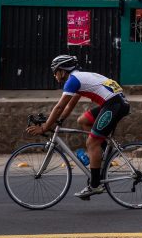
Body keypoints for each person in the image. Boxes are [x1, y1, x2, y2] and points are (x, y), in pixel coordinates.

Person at [26, 55, 131, 199]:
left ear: (63, 71)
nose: (54, 75)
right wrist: (60, 121)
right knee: (83, 120)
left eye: (55, 71)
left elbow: (59, 107)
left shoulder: (73, 80)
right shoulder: (78, 77)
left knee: (92, 143)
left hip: (114, 105)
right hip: (115, 103)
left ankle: (95, 185)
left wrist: (44, 127)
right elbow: (70, 105)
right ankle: (102, 153)